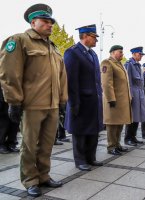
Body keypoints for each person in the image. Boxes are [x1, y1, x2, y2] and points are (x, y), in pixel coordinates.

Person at [0, 4, 68, 197]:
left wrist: (62, 100)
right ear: (33, 22)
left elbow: (62, 76)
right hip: (31, 105)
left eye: (51, 22)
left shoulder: (53, 48)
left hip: (52, 105)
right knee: (29, 145)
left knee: (47, 144)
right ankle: (30, 180)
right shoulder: (20, 41)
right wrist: (13, 101)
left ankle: (44, 176)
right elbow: (9, 73)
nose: (50, 25)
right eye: (45, 21)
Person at [64, 24, 104, 171]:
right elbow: (71, 80)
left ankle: (91, 157)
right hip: (80, 100)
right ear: (85, 36)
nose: (96, 41)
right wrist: (74, 103)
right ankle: (80, 160)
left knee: (93, 131)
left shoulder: (92, 54)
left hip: (93, 101)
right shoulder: (72, 53)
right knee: (80, 132)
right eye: (94, 37)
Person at [101, 45, 131, 155]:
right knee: (112, 125)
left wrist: (129, 97)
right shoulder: (107, 63)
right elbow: (106, 83)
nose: (122, 54)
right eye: (120, 52)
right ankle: (111, 146)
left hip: (122, 101)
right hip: (113, 100)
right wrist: (111, 99)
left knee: (119, 123)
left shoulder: (120, 65)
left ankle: (117, 144)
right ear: (113, 52)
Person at [124, 47, 145, 146]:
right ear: (133, 54)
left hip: (140, 93)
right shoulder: (129, 64)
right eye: (139, 54)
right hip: (133, 92)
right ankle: (128, 138)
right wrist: (130, 95)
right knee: (132, 116)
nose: (141, 56)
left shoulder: (138, 65)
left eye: (141, 54)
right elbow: (128, 81)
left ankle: (133, 137)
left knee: (138, 116)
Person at [0, 84, 19, 154]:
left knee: (15, 120)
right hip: (3, 89)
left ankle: (12, 142)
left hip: (15, 91)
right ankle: (1, 143)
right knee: (3, 120)